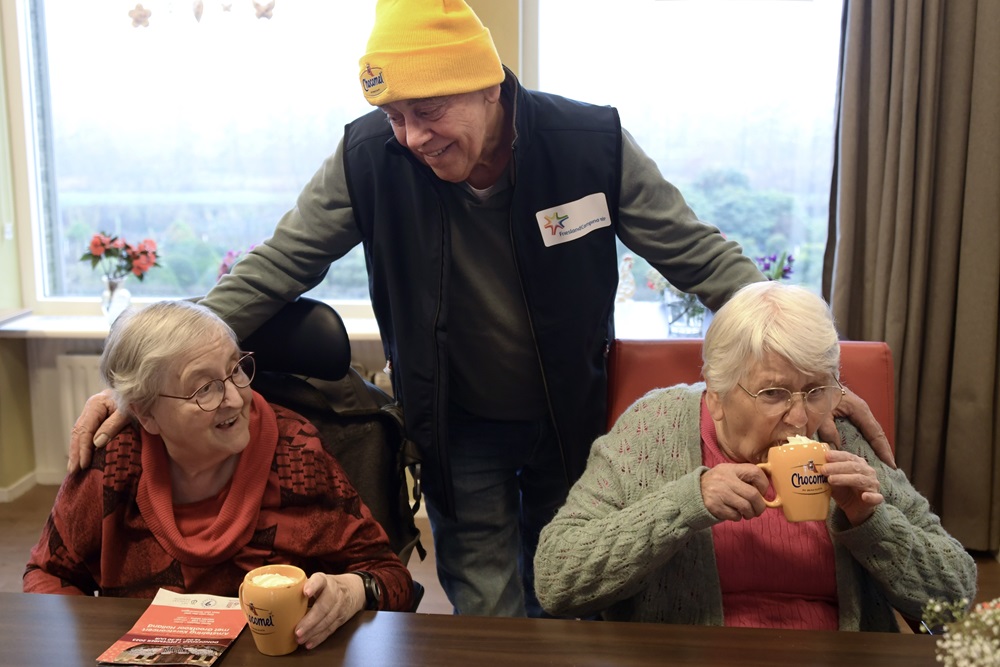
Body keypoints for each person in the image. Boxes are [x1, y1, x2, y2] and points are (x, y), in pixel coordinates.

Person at [67, 0, 896, 618]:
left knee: (578, 588)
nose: (410, 138)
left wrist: (812, 369)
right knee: (492, 603)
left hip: (572, 420)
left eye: (428, 111)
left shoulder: (587, 145)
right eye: (394, 116)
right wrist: (150, 364)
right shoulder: (370, 161)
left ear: (490, 87)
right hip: (457, 425)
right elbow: (276, 267)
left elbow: (705, 257)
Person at [533, 281, 977, 630]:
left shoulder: (839, 435)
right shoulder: (655, 427)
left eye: (817, 390)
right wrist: (686, 504)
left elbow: (954, 599)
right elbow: (556, 580)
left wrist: (871, 522)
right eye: (774, 393)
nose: (800, 418)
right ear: (718, 393)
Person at [26, 301, 413, 650]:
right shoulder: (113, 461)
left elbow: (391, 577)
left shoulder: (297, 453)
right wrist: (87, 645)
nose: (234, 397)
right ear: (146, 415)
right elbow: (48, 573)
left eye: (236, 369)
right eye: (204, 388)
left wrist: (353, 590)